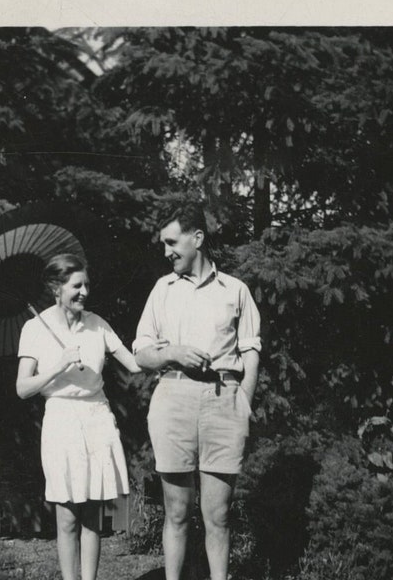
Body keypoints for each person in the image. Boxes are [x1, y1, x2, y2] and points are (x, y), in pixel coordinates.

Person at [133, 204, 261, 580]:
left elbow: (250, 350)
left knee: (218, 515)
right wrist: (172, 352)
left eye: (172, 242)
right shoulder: (163, 289)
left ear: (198, 239)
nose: (167, 251)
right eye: (164, 245)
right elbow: (141, 354)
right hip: (173, 400)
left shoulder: (235, 290)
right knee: (176, 512)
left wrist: (244, 403)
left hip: (224, 402)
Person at [16, 253, 141, 580]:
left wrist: (168, 352)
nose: (84, 291)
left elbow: (134, 363)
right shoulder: (34, 328)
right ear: (56, 287)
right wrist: (58, 365)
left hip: (97, 419)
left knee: (91, 517)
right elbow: (22, 387)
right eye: (76, 285)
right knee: (67, 517)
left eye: (87, 284)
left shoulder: (97, 324)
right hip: (62, 422)